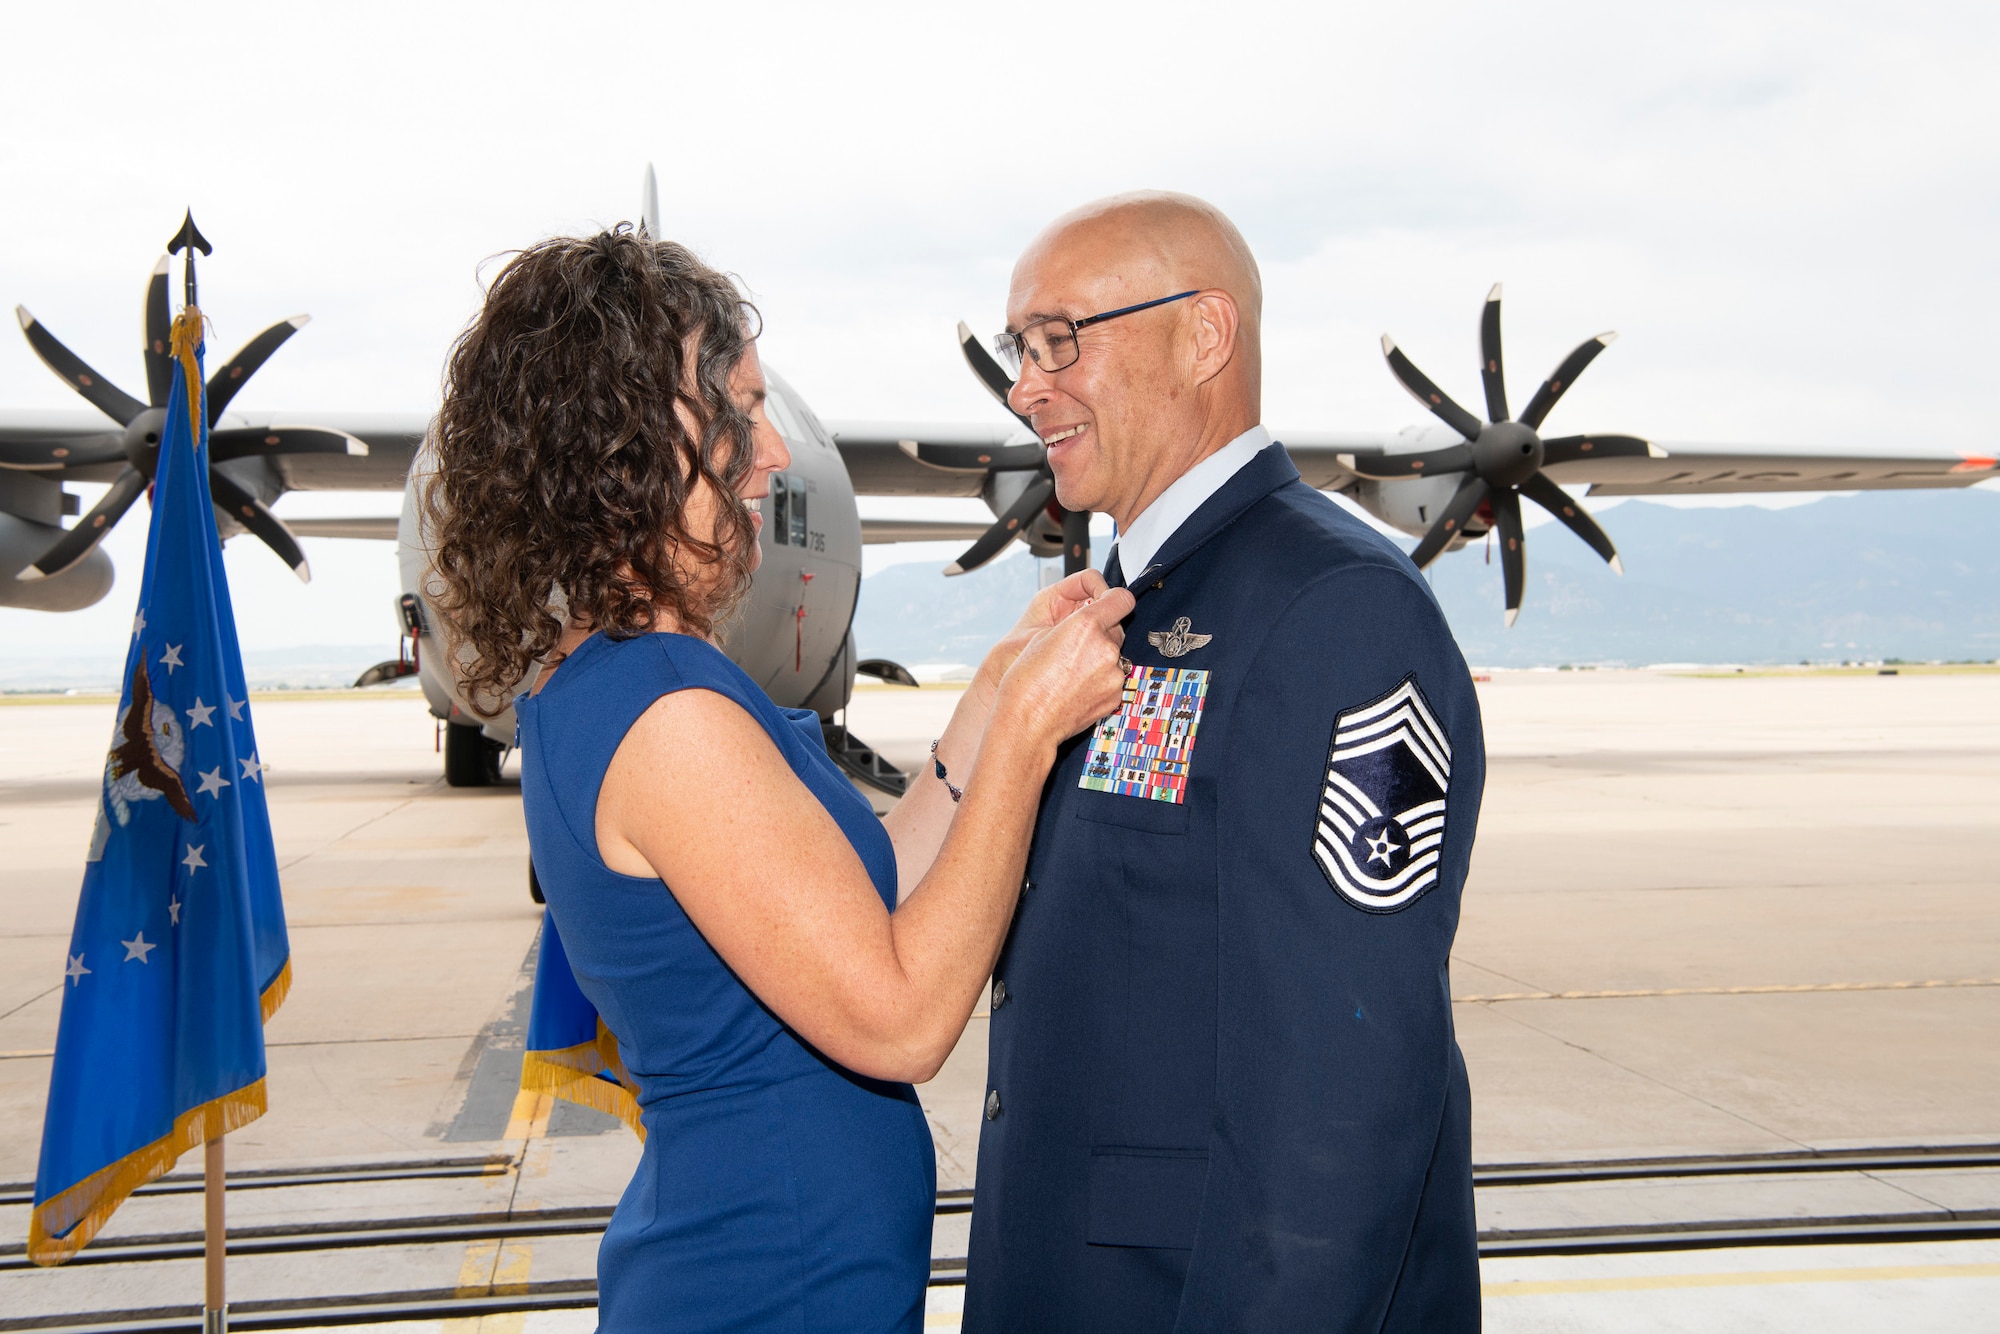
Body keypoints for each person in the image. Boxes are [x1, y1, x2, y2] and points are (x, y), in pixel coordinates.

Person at [420, 227, 1133, 1333]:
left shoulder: (624, 676)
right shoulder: (668, 717)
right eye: (739, 412)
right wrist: (1034, 739)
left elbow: (868, 887)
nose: (770, 456)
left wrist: (992, 697)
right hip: (764, 1289)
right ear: (628, 440)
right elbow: (899, 1018)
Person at [961, 193, 1487, 1331]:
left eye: (1060, 338)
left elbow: (1342, 1104)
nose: (1022, 386)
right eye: (1019, 349)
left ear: (1204, 336)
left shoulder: (1335, 611)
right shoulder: (1128, 607)